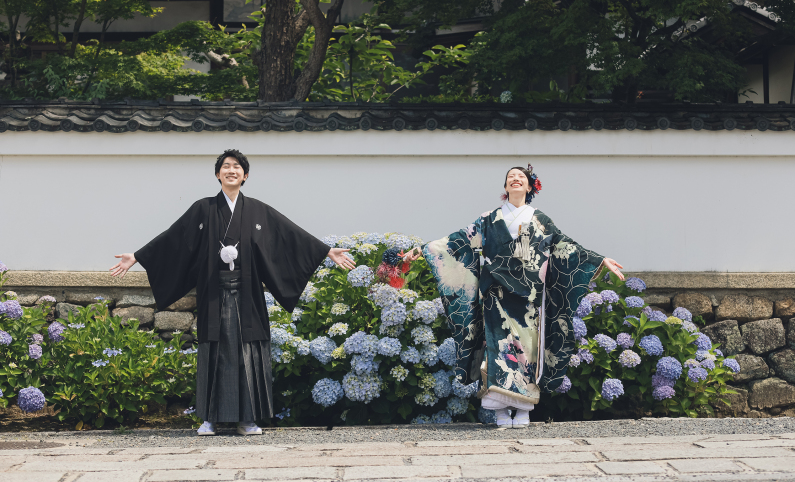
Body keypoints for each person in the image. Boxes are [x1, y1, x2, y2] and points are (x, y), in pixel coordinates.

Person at [110, 149, 355, 436]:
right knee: (214, 352)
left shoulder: (258, 210)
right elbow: (175, 237)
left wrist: (325, 251)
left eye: (237, 167)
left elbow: (288, 234)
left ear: (245, 175)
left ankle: (247, 420)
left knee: (247, 353)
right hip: (214, 294)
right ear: (217, 175)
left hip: (247, 293)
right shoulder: (203, 209)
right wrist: (138, 256)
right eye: (225, 166)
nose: (231, 170)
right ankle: (209, 419)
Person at [403, 165, 623, 428]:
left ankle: (523, 411)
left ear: (530, 187)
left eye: (521, 177)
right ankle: (498, 412)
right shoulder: (488, 219)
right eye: (510, 178)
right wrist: (421, 249)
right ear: (505, 188)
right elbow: (458, 241)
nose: (516, 179)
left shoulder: (541, 219)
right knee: (498, 348)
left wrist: (598, 260)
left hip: (529, 297)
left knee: (526, 352)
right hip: (496, 294)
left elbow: (565, 246)